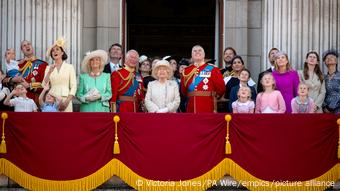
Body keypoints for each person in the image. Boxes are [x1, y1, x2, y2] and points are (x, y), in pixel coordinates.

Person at [180, 45, 225, 113]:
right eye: (195, 51)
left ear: (204, 55)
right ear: (192, 55)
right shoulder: (186, 71)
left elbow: (221, 88)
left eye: (200, 50)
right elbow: (183, 90)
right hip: (191, 107)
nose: (197, 52)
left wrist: (213, 97)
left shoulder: (212, 69)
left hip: (208, 105)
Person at [2, 40, 48, 105]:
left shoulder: (43, 64)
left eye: (28, 44)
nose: (27, 46)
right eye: (24, 45)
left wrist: (30, 85)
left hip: (34, 102)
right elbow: (4, 82)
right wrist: (12, 79)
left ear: (32, 47)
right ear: (22, 50)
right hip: (16, 102)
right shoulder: (15, 64)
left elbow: (45, 85)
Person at [43, 37, 77, 112]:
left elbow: (74, 86)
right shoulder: (48, 68)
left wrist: (67, 102)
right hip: (52, 100)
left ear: (62, 52)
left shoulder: (70, 67)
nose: (54, 52)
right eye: (52, 50)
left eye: (57, 49)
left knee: (66, 122)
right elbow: (44, 85)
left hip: (66, 99)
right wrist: (49, 72)